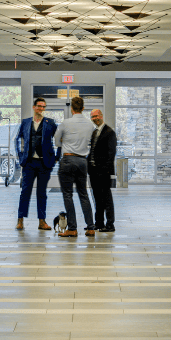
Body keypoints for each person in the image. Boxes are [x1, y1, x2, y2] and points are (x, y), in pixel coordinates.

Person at [54, 96, 96, 237]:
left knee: (68, 195)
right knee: (83, 194)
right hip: (82, 161)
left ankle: (72, 228)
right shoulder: (90, 125)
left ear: (71, 108)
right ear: (83, 108)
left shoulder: (65, 123)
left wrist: (64, 142)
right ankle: (90, 227)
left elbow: (56, 141)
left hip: (68, 159)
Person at [14, 97, 56, 231]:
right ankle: (20, 220)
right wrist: (20, 156)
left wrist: (55, 157)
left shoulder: (50, 123)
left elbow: (60, 138)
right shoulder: (26, 122)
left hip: (44, 163)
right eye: (39, 106)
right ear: (34, 107)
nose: (41, 109)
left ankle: (42, 222)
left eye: (43, 107)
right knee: (25, 191)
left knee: (42, 192)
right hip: (29, 163)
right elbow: (17, 139)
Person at [87, 108, 117, 232]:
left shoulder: (109, 132)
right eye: (92, 117)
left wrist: (106, 170)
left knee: (106, 199)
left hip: (103, 172)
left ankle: (110, 224)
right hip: (93, 172)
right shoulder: (95, 132)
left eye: (96, 116)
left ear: (101, 116)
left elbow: (111, 154)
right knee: (97, 198)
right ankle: (99, 223)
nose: (95, 119)